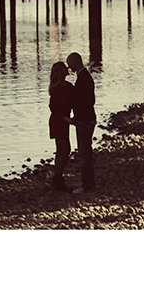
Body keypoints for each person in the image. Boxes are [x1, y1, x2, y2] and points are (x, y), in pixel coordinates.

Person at [67, 52, 95, 193]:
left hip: (85, 120)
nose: (68, 67)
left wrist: (76, 119)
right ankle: (88, 183)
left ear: (75, 62)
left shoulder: (83, 79)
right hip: (87, 119)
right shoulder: (85, 77)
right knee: (85, 152)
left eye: (69, 64)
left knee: (84, 154)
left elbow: (85, 102)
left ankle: (87, 185)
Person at [47, 60, 74, 192]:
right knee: (65, 148)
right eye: (64, 67)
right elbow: (53, 107)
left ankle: (57, 178)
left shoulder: (69, 86)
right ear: (60, 72)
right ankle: (58, 178)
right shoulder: (57, 89)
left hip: (64, 119)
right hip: (59, 120)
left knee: (61, 149)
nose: (67, 68)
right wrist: (66, 119)